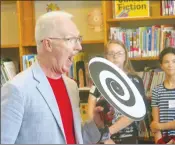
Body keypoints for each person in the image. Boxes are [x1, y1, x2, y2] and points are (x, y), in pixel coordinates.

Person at [1, 11, 113, 144]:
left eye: (79, 39)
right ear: (48, 44)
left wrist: (96, 124)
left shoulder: (71, 86)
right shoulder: (17, 89)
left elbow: (73, 138)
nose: (79, 46)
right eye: (71, 39)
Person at [88, 39, 148, 144]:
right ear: (106, 56)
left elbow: (134, 113)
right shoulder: (98, 80)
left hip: (128, 138)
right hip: (102, 139)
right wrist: (105, 138)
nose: (115, 57)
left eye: (119, 53)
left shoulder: (135, 80)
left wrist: (107, 134)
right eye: (111, 53)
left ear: (125, 56)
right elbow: (90, 111)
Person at [150, 47, 175, 144]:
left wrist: (160, 126)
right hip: (164, 140)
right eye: (166, 62)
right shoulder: (156, 90)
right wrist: (160, 142)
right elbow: (155, 124)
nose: (170, 65)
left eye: (174, 61)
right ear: (161, 65)